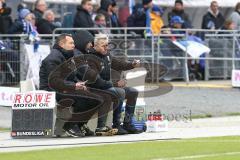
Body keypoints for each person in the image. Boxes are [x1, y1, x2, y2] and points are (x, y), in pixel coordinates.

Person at [40, 33, 118, 137]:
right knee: (92, 98)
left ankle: (80, 124)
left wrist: (79, 84)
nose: (73, 45)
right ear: (62, 44)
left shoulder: (67, 55)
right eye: (71, 43)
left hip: (65, 88)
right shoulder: (53, 58)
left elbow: (72, 76)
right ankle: (69, 126)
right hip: (52, 91)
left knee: (101, 97)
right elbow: (54, 81)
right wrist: (74, 86)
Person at [87, 34, 143, 135]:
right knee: (119, 91)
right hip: (94, 88)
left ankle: (127, 123)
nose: (106, 48)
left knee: (133, 92)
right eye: (103, 45)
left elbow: (119, 64)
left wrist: (132, 64)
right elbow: (95, 81)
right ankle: (116, 124)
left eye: (107, 45)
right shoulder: (90, 59)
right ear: (95, 46)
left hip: (107, 86)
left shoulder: (107, 55)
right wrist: (115, 83)